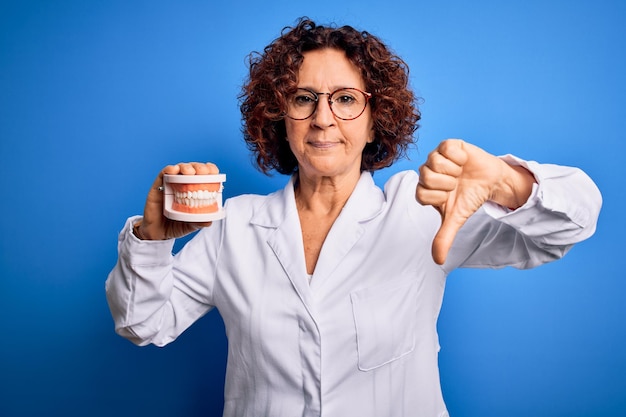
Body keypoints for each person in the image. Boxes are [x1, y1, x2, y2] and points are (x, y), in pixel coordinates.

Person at [106, 18, 602, 417]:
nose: (323, 118)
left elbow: (571, 224)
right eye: (304, 99)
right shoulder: (234, 226)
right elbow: (142, 322)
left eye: (345, 100)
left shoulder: (421, 208)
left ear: (374, 122)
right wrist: (152, 239)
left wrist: (505, 182)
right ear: (280, 117)